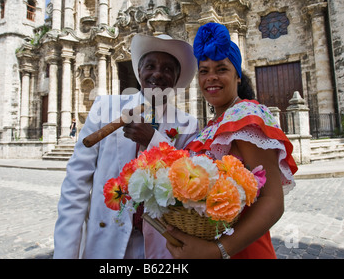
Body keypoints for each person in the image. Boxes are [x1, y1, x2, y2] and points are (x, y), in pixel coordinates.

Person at [53, 34, 199, 259]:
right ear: (139, 72)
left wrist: (153, 140)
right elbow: (76, 184)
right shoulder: (106, 109)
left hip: (160, 247)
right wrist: (65, 254)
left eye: (168, 69)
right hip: (105, 244)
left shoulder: (188, 124)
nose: (158, 74)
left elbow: (189, 183)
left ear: (176, 79)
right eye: (150, 66)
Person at [165, 22, 298, 259]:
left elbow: (272, 200)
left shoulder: (246, 116)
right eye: (204, 71)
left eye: (221, 69)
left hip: (242, 251)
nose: (211, 77)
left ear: (238, 75)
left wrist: (218, 251)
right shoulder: (210, 128)